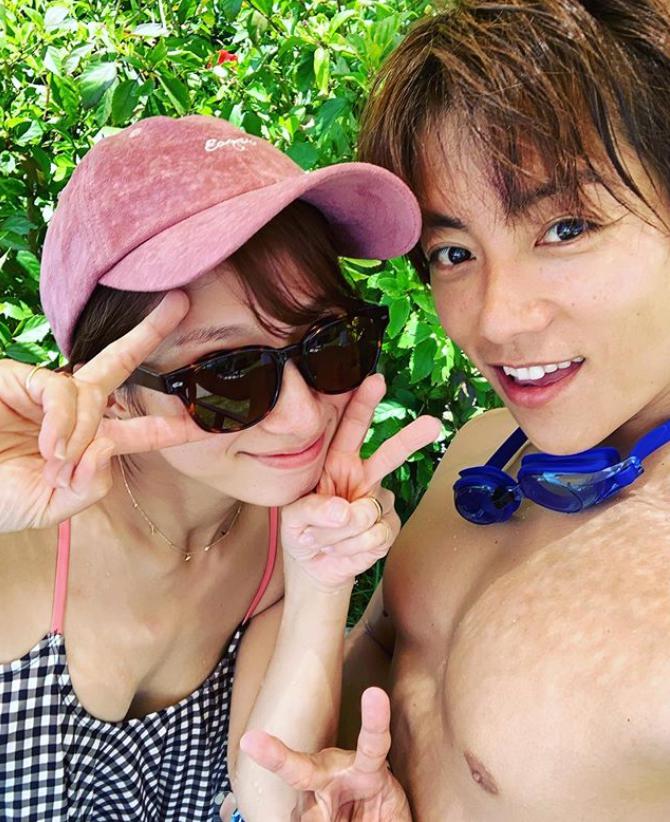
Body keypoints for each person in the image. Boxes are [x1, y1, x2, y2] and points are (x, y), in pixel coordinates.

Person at [240, 1, 670, 819]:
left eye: (566, 228)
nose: (496, 320)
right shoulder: (485, 444)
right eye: (454, 251)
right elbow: (376, 659)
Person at [0, 113, 441, 821]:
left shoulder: (279, 542)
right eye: (229, 376)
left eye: (330, 344)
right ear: (111, 391)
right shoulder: (18, 539)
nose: (303, 417)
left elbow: (273, 796)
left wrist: (322, 582)